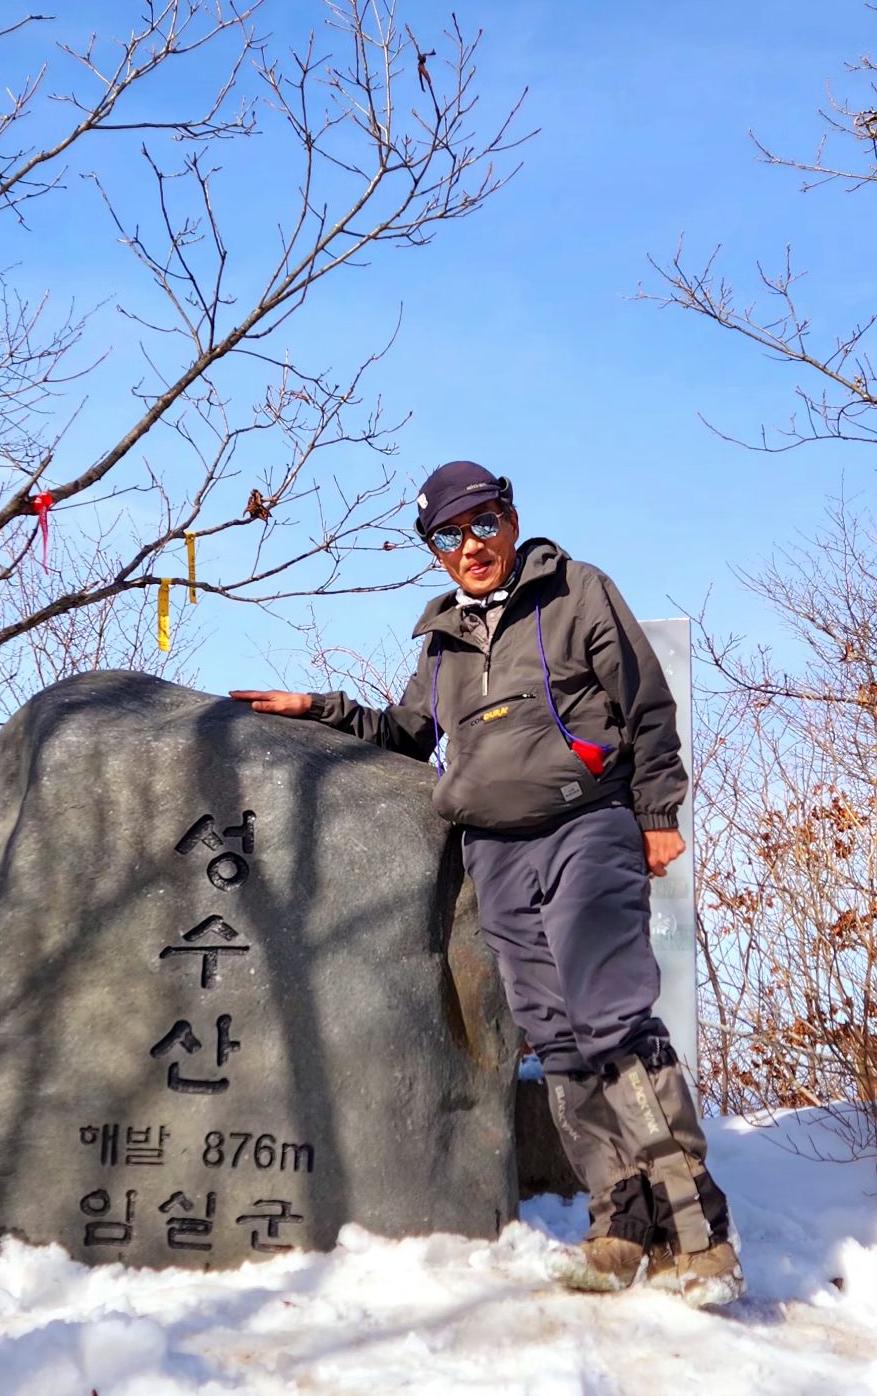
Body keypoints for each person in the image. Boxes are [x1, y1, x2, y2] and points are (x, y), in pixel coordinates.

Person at [231, 460, 743, 1309]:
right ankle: (620, 1222)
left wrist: (657, 813)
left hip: (587, 824)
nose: (469, 545)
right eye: (448, 535)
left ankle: (699, 1232)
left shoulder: (576, 592)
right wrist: (319, 709)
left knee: (609, 1011)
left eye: (481, 524)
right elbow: (407, 733)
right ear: (434, 549)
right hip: (495, 851)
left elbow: (648, 707)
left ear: (509, 518)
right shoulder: (441, 640)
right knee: (555, 1032)